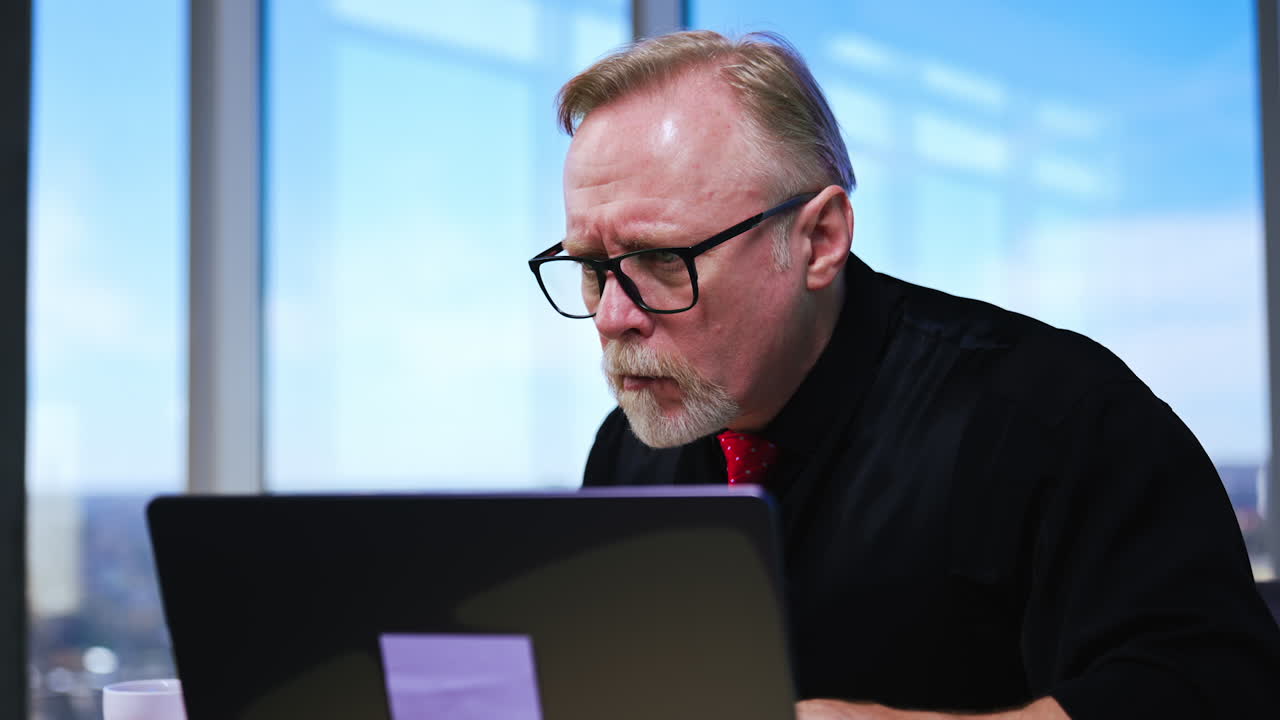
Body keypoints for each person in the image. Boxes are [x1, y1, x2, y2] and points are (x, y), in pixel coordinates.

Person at [527, 29, 1280, 719]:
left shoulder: (1054, 414)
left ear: (820, 238)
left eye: (664, 260)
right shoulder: (629, 451)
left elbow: (1215, 687)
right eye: (592, 269)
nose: (611, 317)